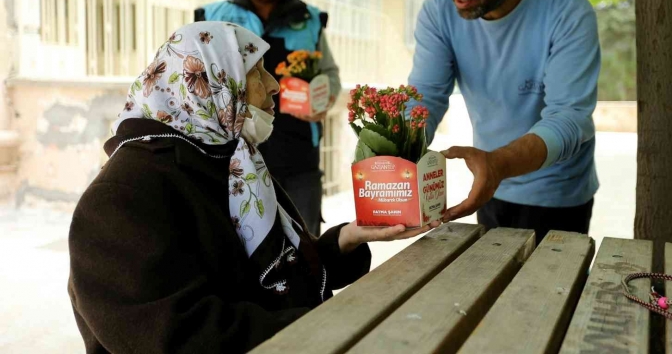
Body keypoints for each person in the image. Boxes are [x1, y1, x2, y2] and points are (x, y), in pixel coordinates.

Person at [67, 22, 436, 353]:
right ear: (212, 84)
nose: (275, 85)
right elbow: (177, 336)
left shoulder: (230, 161)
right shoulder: (121, 197)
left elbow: (269, 277)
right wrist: (331, 325)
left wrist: (348, 239)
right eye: (256, 71)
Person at [409, 0, 601, 243]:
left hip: (558, 194)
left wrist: (498, 164)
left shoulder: (568, 10)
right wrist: (397, 149)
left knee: (549, 296)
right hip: (489, 182)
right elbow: (427, 95)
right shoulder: (439, 11)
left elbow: (570, 117)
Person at [195, 0, 337, 236]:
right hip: (234, 151)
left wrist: (324, 99)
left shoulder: (309, 19)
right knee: (242, 241)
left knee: (306, 239)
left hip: (299, 155)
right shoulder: (212, 17)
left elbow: (330, 73)